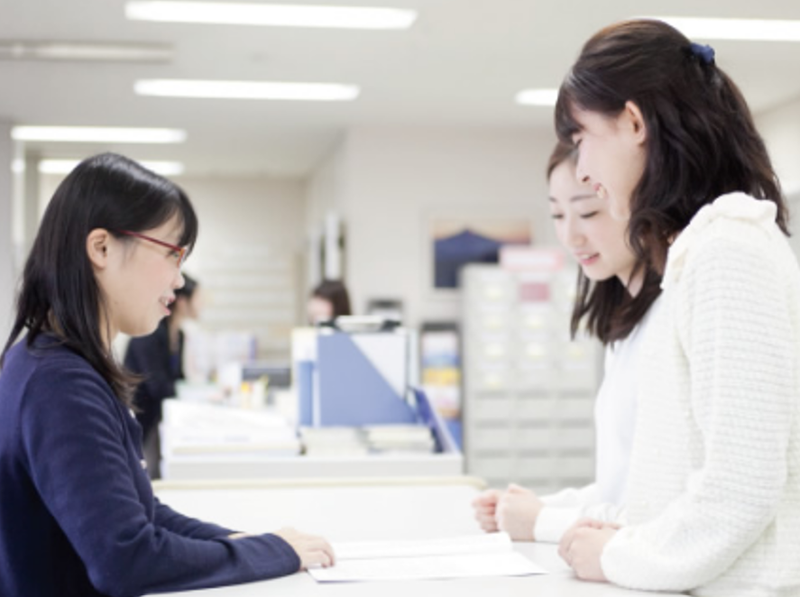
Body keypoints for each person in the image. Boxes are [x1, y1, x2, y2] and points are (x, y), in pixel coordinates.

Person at [0, 153, 334, 597]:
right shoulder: (59, 383)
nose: (179, 281)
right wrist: (274, 552)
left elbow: (143, 514)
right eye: (173, 254)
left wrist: (244, 543)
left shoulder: (54, 362)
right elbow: (127, 559)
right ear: (101, 247)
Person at [553, 19, 800, 596]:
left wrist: (616, 556)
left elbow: (738, 493)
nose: (583, 169)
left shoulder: (728, 249)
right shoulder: (703, 252)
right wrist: (624, 532)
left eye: (581, 138)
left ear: (634, 123)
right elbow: (687, 473)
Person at [471, 141, 662, 543]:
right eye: (558, 214)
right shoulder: (625, 330)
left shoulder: (668, 324)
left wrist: (541, 522)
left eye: (588, 211)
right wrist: (533, 508)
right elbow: (619, 489)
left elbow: (663, 514)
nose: (570, 236)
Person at [125, 272, 201, 478]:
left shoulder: (180, 336)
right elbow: (158, 386)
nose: (201, 304)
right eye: (198, 298)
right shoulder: (149, 334)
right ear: (182, 301)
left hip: (160, 418)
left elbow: (178, 379)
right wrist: (196, 393)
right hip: (138, 419)